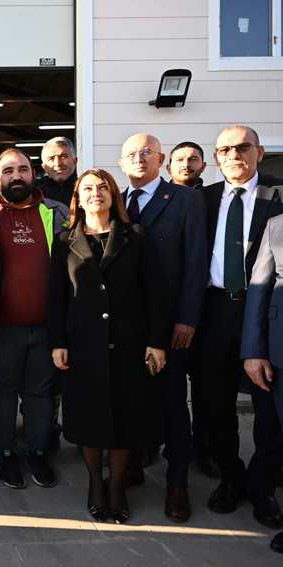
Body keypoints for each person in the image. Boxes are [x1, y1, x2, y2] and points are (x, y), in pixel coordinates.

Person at [48, 168, 167, 524]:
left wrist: (156, 342)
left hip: (129, 344)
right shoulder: (64, 240)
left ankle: (116, 485)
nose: (95, 192)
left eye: (103, 187)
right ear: (79, 199)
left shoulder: (135, 236)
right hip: (82, 343)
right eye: (87, 188)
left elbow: (153, 294)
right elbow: (56, 298)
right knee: (88, 415)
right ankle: (94, 483)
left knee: (124, 415)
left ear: (113, 195)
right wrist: (57, 342)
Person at [194, 126, 283, 527]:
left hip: (267, 312)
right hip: (214, 312)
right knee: (215, 404)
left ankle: (263, 484)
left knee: (269, 406)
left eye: (242, 147)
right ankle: (231, 477)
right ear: (216, 158)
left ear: (259, 151)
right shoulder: (203, 198)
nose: (234, 155)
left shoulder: (280, 196)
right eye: (224, 149)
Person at [118, 133, 207, 523]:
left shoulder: (186, 200)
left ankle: (177, 483)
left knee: (173, 403)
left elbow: (196, 263)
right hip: (125, 325)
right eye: (131, 154)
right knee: (133, 398)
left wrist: (188, 317)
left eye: (146, 152)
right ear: (122, 163)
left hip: (171, 324)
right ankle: (135, 462)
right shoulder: (116, 201)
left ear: (162, 160)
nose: (139, 158)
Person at [0, 148, 68, 490]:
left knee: (40, 394)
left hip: (48, 325)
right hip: (1, 327)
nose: (16, 176)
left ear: (34, 174)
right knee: (1, 393)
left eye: (22, 169)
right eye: (8, 171)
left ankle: (36, 451)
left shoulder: (58, 212)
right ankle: (5, 454)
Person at [166, 141, 217, 480]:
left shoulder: (212, 198)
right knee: (168, 388)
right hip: (170, 311)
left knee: (205, 388)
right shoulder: (158, 199)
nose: (187, 164)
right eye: (180, 160)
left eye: (193, 159)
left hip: (207, 308)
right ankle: (166, 446)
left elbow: (198, 260)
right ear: (168, 165)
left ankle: (204, 447)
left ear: (203, 165)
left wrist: (189, 316)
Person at [241, 214, 283, 553]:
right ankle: (263, 491)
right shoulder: (277, 225)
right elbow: (259, 288)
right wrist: (253, 351)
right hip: (279, 351)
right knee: (271, 428)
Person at [40, 137, 78, 206]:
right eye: (51, 158)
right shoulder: (36, 197)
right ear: (44, 167)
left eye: (63, 156)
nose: (58, 164)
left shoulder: (88, 193)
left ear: (75, 161)